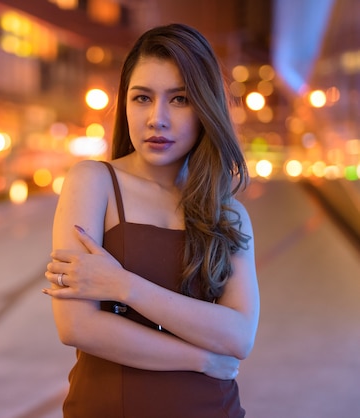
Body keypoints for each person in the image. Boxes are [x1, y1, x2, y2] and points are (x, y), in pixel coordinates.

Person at [42, 23, 260, 417]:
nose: (157, 118)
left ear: (205, 106)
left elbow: (239, 336)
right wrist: (202, 360)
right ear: (125, 104)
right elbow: (76, 326)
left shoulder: (228, 213)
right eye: (142, 97)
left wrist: (122, 285)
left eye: (179, 99)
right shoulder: (94, 183)